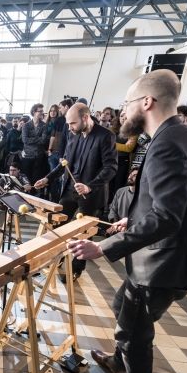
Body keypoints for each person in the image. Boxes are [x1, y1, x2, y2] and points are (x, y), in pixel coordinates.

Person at [67, 70, 187, 373]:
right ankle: (122, 362)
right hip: (174, 253)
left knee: (134, 328)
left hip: (165, 259)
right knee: (124, 307)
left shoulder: (167, 143)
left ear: (146, 102)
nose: (122, 112)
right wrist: (132, 220)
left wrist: (104, 246)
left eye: (126, 104)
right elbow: (174, 202)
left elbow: (167, 217)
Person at [34, 103, 117, 282]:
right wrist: (47, 178)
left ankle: (77, 268)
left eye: (72, 123)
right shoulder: (74, 136)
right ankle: (58, 256)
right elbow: (64, 165)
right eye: (68, 124)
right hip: (70, 190)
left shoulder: (105, 136)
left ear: (85, 118)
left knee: (84, 233)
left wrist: (90, 186)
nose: (69, 127)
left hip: (90, 193)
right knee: (58, 225)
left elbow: (111, 167)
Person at [21, 103, 49, 187]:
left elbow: (43, 140)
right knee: (26, 177)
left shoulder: (44, 125)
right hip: (27, 155)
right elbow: (25, 140)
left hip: (38, 155)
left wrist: (32, 140)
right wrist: (38, 139)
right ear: (34, 112)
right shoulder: (26, 125)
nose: (42, 113)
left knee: (36, 177)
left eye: (42, 111)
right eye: (40, 111)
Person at [107, 168, 138, 233]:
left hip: (134, 230)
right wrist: (115, 224)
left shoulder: (144, 196)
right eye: (130, 174)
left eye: (135, 175)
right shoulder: (120, 191)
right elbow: (113, 210)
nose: (130, 177)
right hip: (118, 227)